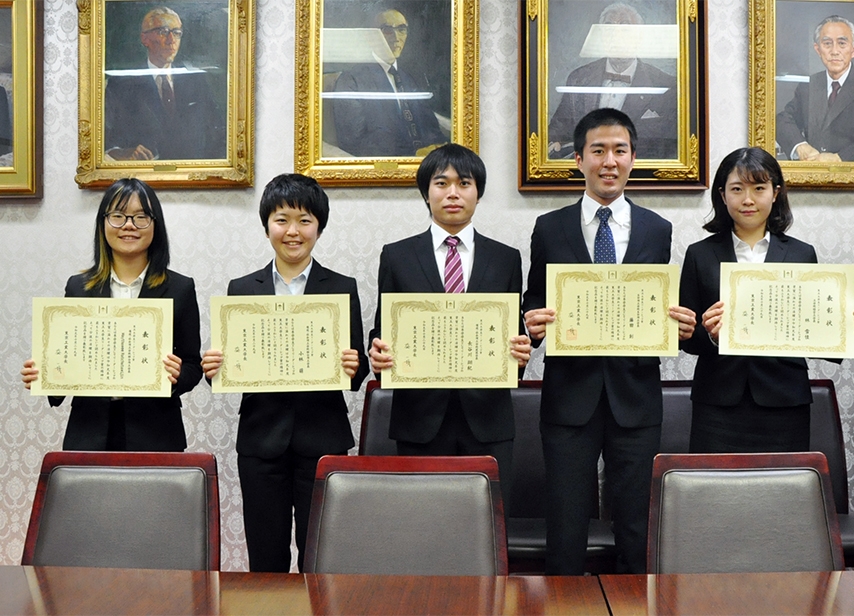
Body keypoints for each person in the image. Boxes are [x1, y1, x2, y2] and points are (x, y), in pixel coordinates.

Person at [522, 107, 697, 575]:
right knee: (565, 523)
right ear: (578, 159)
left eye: (619, 151)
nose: (609, 161)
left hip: (635, 398)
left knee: (637, 524)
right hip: (568, 399)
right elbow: (534, 299)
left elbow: (660, 304)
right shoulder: (549, 227)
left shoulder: (657, 229)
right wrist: (531, 321)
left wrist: (678, 322)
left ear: (633, 158)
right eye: (598, 151)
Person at [201, 174, 368, 573]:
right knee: (265, 555)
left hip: (322, 436)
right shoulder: (242, 289)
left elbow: (357, 366)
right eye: (282, 219)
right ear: (266, 226)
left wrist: (354, 366)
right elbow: (228, 365)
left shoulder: (342, 288)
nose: (293, 231)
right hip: (261, 441)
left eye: (305, 220)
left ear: (319, 228)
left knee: (319, 556)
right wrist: (213, 369)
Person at [679, 147, 854, 453]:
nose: (747, 199)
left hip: (785, 401)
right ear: (722, 194)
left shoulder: (801, 254)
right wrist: (712, 335)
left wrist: (845, 334)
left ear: (775, 192)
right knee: (716, 495)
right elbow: (687, 339)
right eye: (737, 189)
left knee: (784, 494)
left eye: (759, 188)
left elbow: (811, 328)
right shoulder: (699, 254)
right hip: (718, 402)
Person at [367, 144, 531, 488]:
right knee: (425, 525)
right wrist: (378, 351)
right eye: (442, 184)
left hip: (489, 418)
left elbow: (513, 335)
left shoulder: (505, 258)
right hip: (419, 419)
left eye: (464, 183)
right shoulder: (397, 256)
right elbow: (384, 328)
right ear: (426, 192)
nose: (453, 193)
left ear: (478, 193)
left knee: (488, 525)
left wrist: (520, 353)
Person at [20, 178, 202, 451]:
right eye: (118, 216)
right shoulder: (78, 288)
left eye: (141, 217)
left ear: (156, 225)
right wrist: (44, 374)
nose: (129, 225)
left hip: (157, 432)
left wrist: (177, 375)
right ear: (103, 223)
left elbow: (192, 365)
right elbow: (68, 361)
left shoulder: (180, 288)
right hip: (89, 431)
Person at [547, 3, 678, 160]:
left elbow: (672, 147)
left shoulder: (665, 85)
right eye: (610, 31)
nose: (617, 38)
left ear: (639, 37)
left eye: (625, 30)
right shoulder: (578, 79)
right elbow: (558, 129)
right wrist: (555, 142)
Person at [104, 7, 226, 161]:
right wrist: (120, 152)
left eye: (176, 33)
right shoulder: (121, 85)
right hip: (144, 177)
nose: (171, 40)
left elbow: (219, 135)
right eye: (163, 31)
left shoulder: (196, 81)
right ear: (145, 39)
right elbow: (102, 139)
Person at [776, 15, 854, 162]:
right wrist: (800, 146)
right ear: (818, 49)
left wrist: (840, 158)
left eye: (841, 43)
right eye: (827, 43)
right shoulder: (808, 85)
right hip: (812, 173)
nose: (834, 51)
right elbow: (783, 120)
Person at [333, 7, 446, 157]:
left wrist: (440, 147)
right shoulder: (352, 80)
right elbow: (354, 141)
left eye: (401, 29)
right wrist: (413, 154)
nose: (396, 37)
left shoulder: (409, 79)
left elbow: (430, 126)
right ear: (371, 37)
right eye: (387, 30)